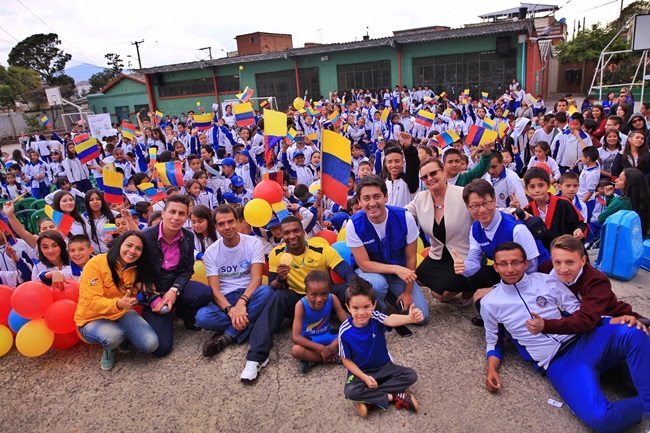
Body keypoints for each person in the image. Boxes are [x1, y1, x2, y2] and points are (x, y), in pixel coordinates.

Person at [481, 242, 650, 433]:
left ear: (526, 263)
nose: (510, 269)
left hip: (584, 340)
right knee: (602, 419)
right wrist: (491, 369)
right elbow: (493, 340)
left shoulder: (545, 281)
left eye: (516, 262)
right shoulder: (490, 303)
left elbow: (579, 313)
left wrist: (613, 321)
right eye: (503, 264)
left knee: (632, 330)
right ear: (495, 267)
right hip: (559, 363)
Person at [240, 216, 355, 383]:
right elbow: (273, 286)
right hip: (298, 304)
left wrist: (357, 289)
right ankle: (256, 357)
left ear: (303, 232)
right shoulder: (277, 254)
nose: (292, 236)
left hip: (325, 300)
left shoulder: (321, 248)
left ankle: (362, 335)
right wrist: (280, 279)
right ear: (281, 236)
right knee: (277, 297)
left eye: (296, 231)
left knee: (347, 289)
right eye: (286, 233)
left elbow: (346, 271)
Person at [346, 175, 429, 322]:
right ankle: (380, 312)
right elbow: (364, 264)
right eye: (366, 198)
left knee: (421, 316)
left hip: (399, 273)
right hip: (370, 273)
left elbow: (411, 258)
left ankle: (392, 295)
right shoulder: (353, 225)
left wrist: (408, 292)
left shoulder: (405, 217)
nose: (372, 203)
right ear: (359, 201)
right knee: (378, 285)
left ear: (386, 197)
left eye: (377, 196)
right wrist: (396, 269)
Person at [339, 276, 423, 418]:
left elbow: (389, 320)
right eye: (355, 308)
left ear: (373, 304)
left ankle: (369, 399)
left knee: (410, 375)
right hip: (361, 372)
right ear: (348, 307)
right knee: (350, 392)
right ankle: (394, 396)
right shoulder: (345, 331)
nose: (361, 312)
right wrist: (365, 378)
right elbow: (346, 360)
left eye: (366, 307)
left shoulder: (375, 317)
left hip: (384, 367)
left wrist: (409, 318)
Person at [195, 205, 273, 357]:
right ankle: (251, 323)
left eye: (231, 222)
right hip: (226, 299)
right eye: (221, 224)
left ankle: (227, 337)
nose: (227, 227)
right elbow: (215, 290)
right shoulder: (211, 252)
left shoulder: (254, 243)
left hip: (250, 294)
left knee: (267, 291)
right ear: (216, 227)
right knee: (202, 317)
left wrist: (242, 302)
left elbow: (257, 278)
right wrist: (231, 310)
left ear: (238, 222)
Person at [140, 194, 213, 357]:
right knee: (161, 349)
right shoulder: (145, 237)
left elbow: (187, 270)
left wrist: (174, 289)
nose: (176, 217)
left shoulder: (188, 236)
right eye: (172, 212)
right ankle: (157, 316)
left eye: (181, 214)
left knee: (205, 293)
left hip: (175, 284)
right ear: (163, 213)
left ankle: (183, 313)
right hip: (153, 291)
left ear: (187, 217)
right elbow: (137, 272)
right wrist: (153, 297)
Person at [74, 231, 159, 370]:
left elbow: (128, 292)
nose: (133, 251)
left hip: (120, 313)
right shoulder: (96, 263)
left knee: (151, 344)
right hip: (92, 317)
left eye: (138, 249)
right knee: (113, 336)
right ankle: (110, 347)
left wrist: (138, 286)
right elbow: (92, 302)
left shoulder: (136, 269)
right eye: (129, 245)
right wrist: (118, 303)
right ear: (120, 244)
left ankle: (123, 337)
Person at [405, 157, 475, 302]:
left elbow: (486, 209)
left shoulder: (463, 194)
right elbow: (402, 214)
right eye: (424, 177)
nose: (429, 179)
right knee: (416, 279)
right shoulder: (421, 198)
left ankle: (472, 284)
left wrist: (516, 211)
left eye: (433, 173)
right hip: (437, 254)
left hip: (462, 255)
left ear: (443, 172)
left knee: (439, 295)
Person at [290, 270, 349, 373]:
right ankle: (332, 358)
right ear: (306, 292)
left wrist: (335, 343)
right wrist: (321, 349)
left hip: (328, 335)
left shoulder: (332, 299)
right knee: (296, 351)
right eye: (313, 295)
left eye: (324, 294)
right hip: (310, 339)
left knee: (353, 336)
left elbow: (348, 324)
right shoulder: (301, 305)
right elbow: (296, 337)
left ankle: (312, 360)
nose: (319, 299)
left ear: (329, 291)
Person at [519, 167, 587, 251]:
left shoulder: (564, 203)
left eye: (541, 185)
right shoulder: (527, 211)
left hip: (569, 251)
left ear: (548, 186)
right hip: (545, 257)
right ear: (526, 189)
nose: (537, 190)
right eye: (532, 187)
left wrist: (579, 230)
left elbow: (580, 224)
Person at [598, 167, 650, 238]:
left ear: (629, 184)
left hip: (623, 238)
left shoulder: (621, 201)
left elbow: (602, 218)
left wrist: (611, 199)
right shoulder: (645, 198)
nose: (616, 180)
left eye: (620, 179)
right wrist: (610, 197)